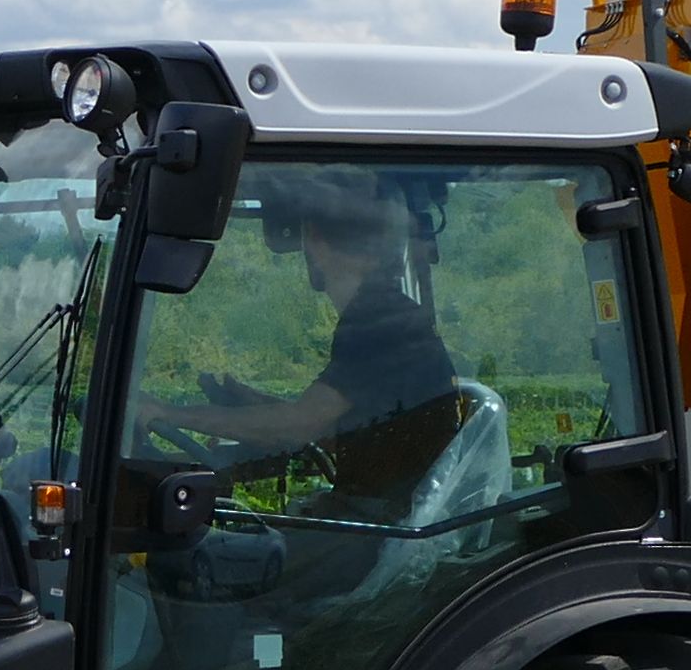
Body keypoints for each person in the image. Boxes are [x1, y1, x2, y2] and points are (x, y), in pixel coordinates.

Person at [155, 170, 463, 498]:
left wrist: (166, 414)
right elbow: (334, 425)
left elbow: (297, 428)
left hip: (381, 517)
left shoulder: (379, 325)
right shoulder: (390, 313)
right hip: (389, 509)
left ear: (313, 238)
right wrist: (251, 403)